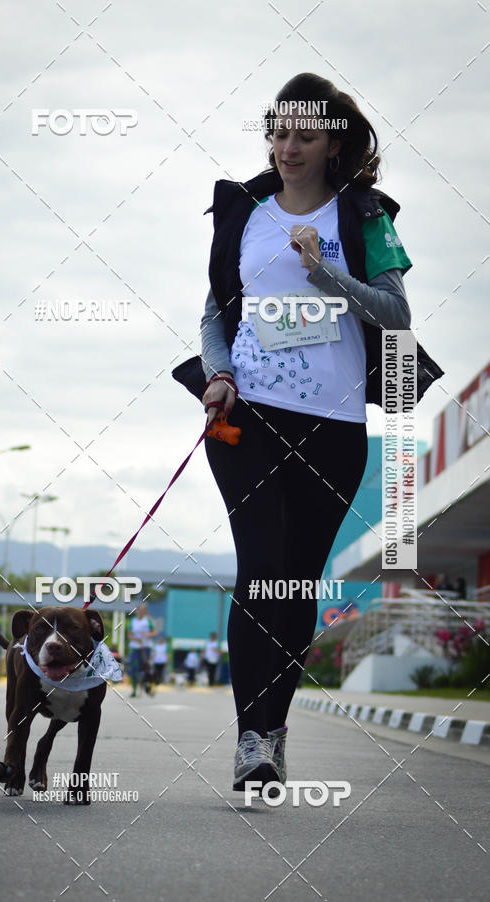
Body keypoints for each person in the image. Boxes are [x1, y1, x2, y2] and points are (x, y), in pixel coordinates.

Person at [195, 73, 444, 792]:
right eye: (278, 134)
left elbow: (395, 316)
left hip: (334, 426)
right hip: (246, 417)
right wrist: (218, 374)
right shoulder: (243, 214)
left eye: (304, 135)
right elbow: (215, 316)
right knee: (261, 566)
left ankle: (274, 730)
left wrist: (323, 271)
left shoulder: (364, 217)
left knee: (295, 577)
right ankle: (250, 739)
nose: (287, 147)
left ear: (334, 142)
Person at [126, 603, 157, 698]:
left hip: (146, 648)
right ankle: (134, 690)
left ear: (145, 612)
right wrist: (135, 639)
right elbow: (129, 635)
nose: (140, 612)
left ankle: (148, 686)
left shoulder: (148, 621)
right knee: (134, 669)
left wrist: (146, 636)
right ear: (136, 611)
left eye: (143, 610)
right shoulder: (132, 621)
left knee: (145, 669)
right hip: (135, 648)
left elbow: (154, 633)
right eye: (139, 610)